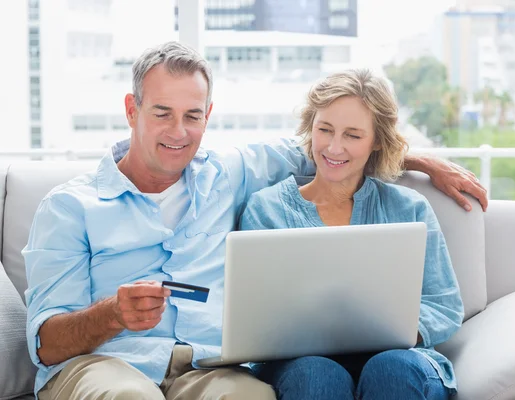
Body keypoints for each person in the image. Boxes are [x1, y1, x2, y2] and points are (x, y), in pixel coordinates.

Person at [23, 42, 482, 400]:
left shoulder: (226, 174)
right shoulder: (69, 206)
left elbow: (331, 151)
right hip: (110, 363)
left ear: (208, 117)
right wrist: (110, 315)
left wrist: (415, 160)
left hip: (205, 368)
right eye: (162, 113)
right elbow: (44, 344)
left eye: (192, 115)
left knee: (252, 395)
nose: (178, 132)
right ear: (131, 110)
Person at [239, 69, 463, 400]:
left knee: (389, 369)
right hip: (301, 366)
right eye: (324, 130)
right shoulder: (266, 210)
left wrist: (387, 332)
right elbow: (253, 317)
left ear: (376, 142)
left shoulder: (409, 210)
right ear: (310, 129)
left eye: (353, 135)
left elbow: (443, 304)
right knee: (317, 375)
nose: (334, 147)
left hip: (399, 362)